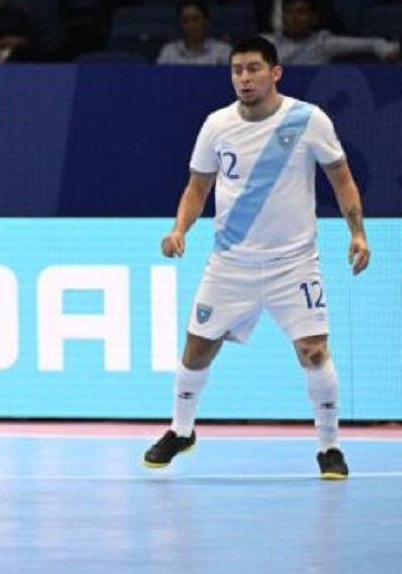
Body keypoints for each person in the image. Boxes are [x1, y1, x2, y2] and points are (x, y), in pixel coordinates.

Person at [144, 35, 371, 480]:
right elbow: (197, 187)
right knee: (196, 348)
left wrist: (357, 233)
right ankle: (181, 429)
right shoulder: (216, 125)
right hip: (230, 263)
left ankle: (329, 447)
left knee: (313, 350)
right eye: (237, 70)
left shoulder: (309, 120)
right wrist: (178, 229)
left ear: (275, 72)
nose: (244, 78)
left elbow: (341, 179)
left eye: (253, 69)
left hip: (294, 263)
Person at [265, 0, 399, 65]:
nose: (294, 18)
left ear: (313, 19)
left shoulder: (323, 43)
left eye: (301, 12)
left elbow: (371, 43)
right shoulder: (265, 43)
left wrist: (386, 50)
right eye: (289, 12)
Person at [156, 0, 232, 65]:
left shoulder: (223, 52)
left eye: (196, 20)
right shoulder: (169, 52)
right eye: (185, 20)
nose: (191, 26)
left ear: (206, 22)